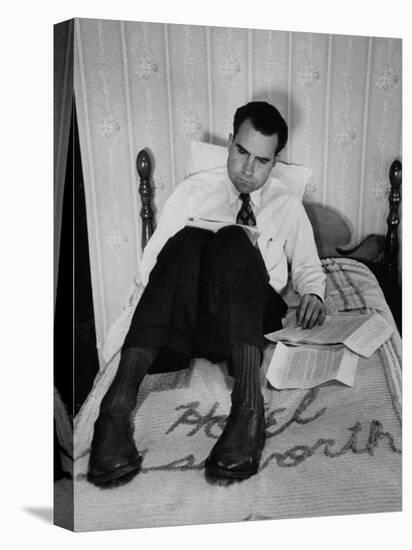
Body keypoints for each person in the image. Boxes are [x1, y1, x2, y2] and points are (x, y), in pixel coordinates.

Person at [87, 101, 327, 488]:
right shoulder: (193, 191)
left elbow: (308, 267)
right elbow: (153, 266)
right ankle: (115, 408)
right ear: (230, 143)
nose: (248, 170)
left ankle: (248, 407)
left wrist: (313, 294)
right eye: (242, 152)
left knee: (235, 239)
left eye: (262, 161)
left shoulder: (287, 204)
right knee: (187, 241)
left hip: (249, 319)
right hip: (189, 321)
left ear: (275, 161)